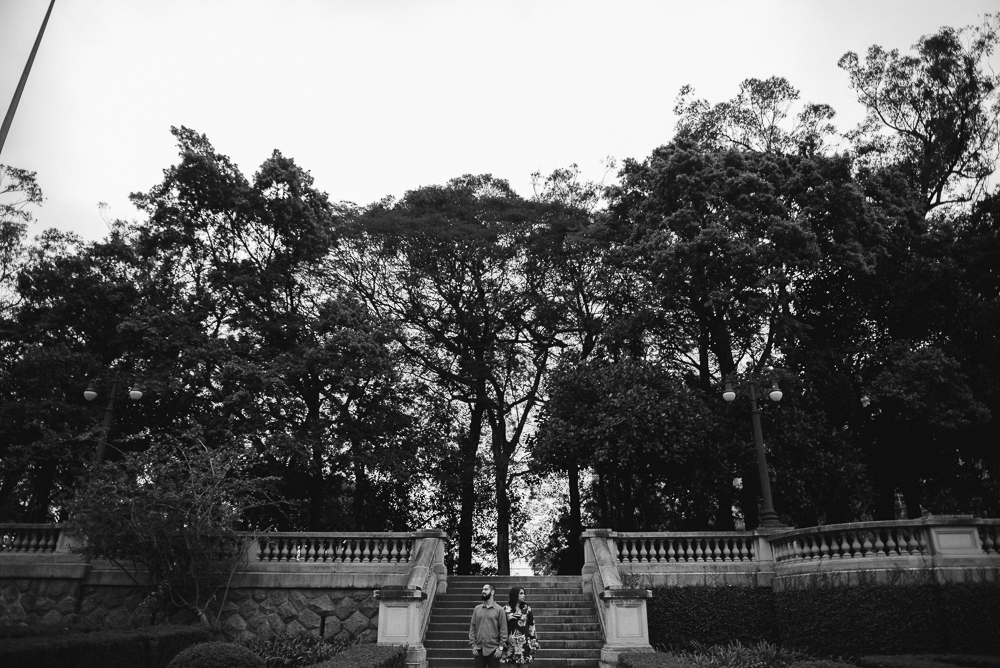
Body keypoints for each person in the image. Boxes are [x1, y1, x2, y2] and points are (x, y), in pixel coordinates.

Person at [469, 583, 508, 668]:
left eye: (486, 589)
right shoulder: (477, 609)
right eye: (482, 589)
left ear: (492, 592)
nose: (483, 591)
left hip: (494, 650)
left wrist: (500, 648)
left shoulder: (500, 610)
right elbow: (473, 627)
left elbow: (503, 630)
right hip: (479, 649)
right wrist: (473, 645)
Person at [500, 586, 538, 666]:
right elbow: (502, 627)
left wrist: (533, 642)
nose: (524, 595)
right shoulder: (505, 609)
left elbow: (532, 625)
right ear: (515, 595)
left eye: (524, 593)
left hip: (524, 643)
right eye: (521, 593)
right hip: (511, 644)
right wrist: (502, 643)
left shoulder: (527, 609)